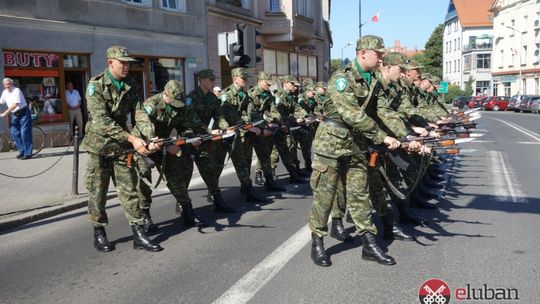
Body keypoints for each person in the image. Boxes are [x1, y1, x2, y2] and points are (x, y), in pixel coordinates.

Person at [308, 35, 401, 267]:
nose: (381, 58)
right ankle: (317, 242)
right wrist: (381, 136)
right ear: (362, 53)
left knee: (359, 196)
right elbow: (351, 114)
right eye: (377, 54)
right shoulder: (342, 78)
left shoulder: (372, 80)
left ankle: (368, 244)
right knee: (325, 197)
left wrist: (406, 135)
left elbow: (383, 110)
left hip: (356, 146)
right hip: (331, 144)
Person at [83, 45, 162, 252]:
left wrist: (149, 135)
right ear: (111, 63)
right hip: (99, 146)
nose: (126, 67)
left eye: (128, 63)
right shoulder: (96, 85)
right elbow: (101, 121)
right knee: (97, 192)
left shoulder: (131, 84)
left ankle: (138, 233)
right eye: (122, 63)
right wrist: (132, 138)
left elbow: (140, 113)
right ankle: (99, 232)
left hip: (120, 147)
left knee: (129, 188)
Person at [134, 80, 208, 231]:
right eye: (172, 101)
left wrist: (192, 137)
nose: (175, 104)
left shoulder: (178, 105)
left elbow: (185, 125)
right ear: (165, 94)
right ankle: (145, 216)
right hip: (145, 146)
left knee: (176, 176)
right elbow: (144, 126)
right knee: (143, 182)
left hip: (165, 144)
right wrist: (163, 145)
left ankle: (188, 212)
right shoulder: (151, 105)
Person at [186, 69, 236, 212]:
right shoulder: (192, 97)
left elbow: (218, 116)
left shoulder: (213, 98)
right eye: (210, 79)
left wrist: (225, 127)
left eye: (214, 78)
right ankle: (183, 205)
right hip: (191, 139)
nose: (213, 81)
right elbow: (191, 120)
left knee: (209, 170)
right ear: (201, 80)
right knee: (185, 176)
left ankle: (218, 201)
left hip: (205, 140)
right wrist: (208, 131)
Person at [1, 77, 33, 159]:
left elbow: (15, 104)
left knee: (24, 133)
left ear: (11, 84)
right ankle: (22, 151)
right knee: (14, 133)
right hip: (15, 114)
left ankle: (28, 153)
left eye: (8, 84)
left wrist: (5, 113)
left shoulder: (16, 90)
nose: (7, 86)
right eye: (5, 84)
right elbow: (1, 101)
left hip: (24, 113)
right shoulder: (5, 92)